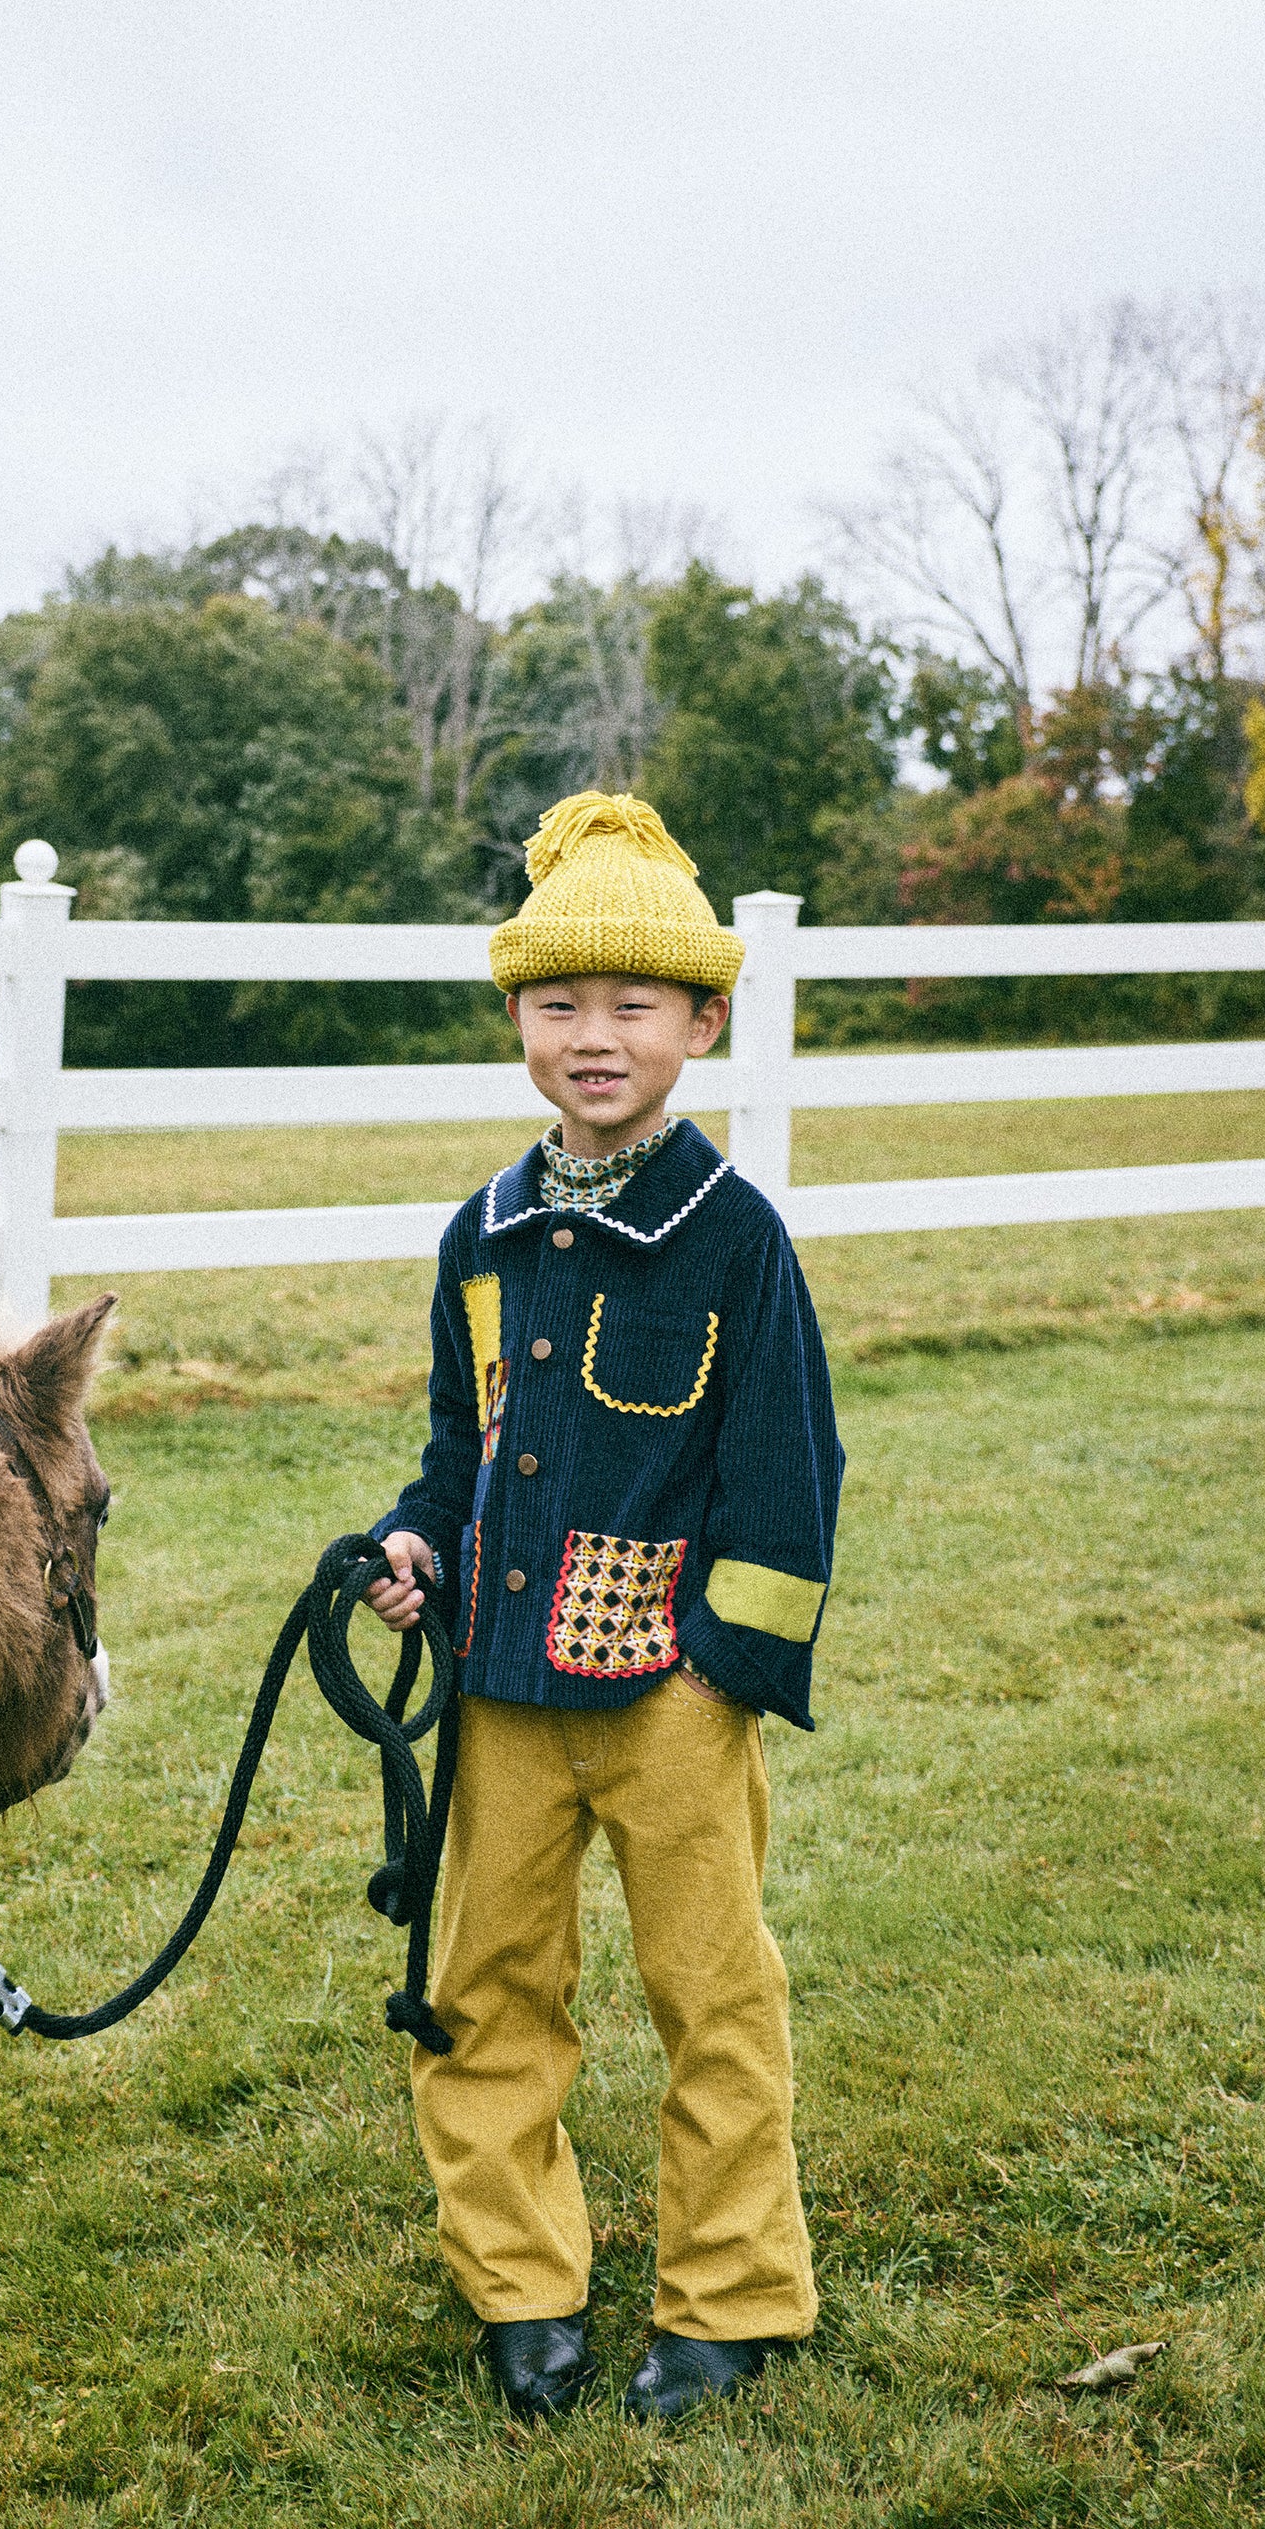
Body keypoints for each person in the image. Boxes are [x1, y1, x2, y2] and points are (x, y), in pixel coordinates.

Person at [366, 790, 842, 2425]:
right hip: (501, 1692)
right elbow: (458, 1448)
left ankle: (732, 2295)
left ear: (703, 1018)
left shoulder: (734, 1242)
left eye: (633, 1003)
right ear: (515, 1017)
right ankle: (521, 2285)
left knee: (713, 1990)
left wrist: (722, 1672)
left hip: (672, 1703)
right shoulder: (481, 1238)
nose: (594, 1035)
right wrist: (417, 1540)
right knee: (484, 1985)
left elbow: (785, 1479)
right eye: (558, 1001)